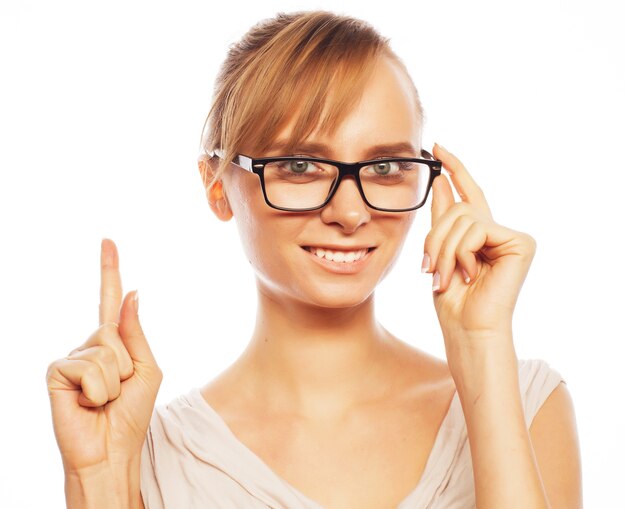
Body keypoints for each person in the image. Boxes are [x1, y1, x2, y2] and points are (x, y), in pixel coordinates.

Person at [46, 10, 582, 509]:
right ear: (217, 186)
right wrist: (100, 482)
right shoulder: (150, 455)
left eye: (385, 167)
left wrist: (481, 346)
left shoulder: (527, 405)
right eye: (301, 165)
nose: (350, 213)